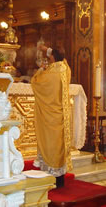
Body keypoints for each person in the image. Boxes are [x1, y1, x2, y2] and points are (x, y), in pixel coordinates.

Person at [31, 45, 71, 188]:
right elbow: (62, 58)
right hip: (61, 115)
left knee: (50, 145)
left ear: (52, 57)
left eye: (50, 55)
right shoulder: (66, 69)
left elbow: (36, 83)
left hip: (49, 116)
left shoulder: (49, 73)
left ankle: (50, 178)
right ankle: (60, 179)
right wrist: (49, 50)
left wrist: (41, 69)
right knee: (58, 146)